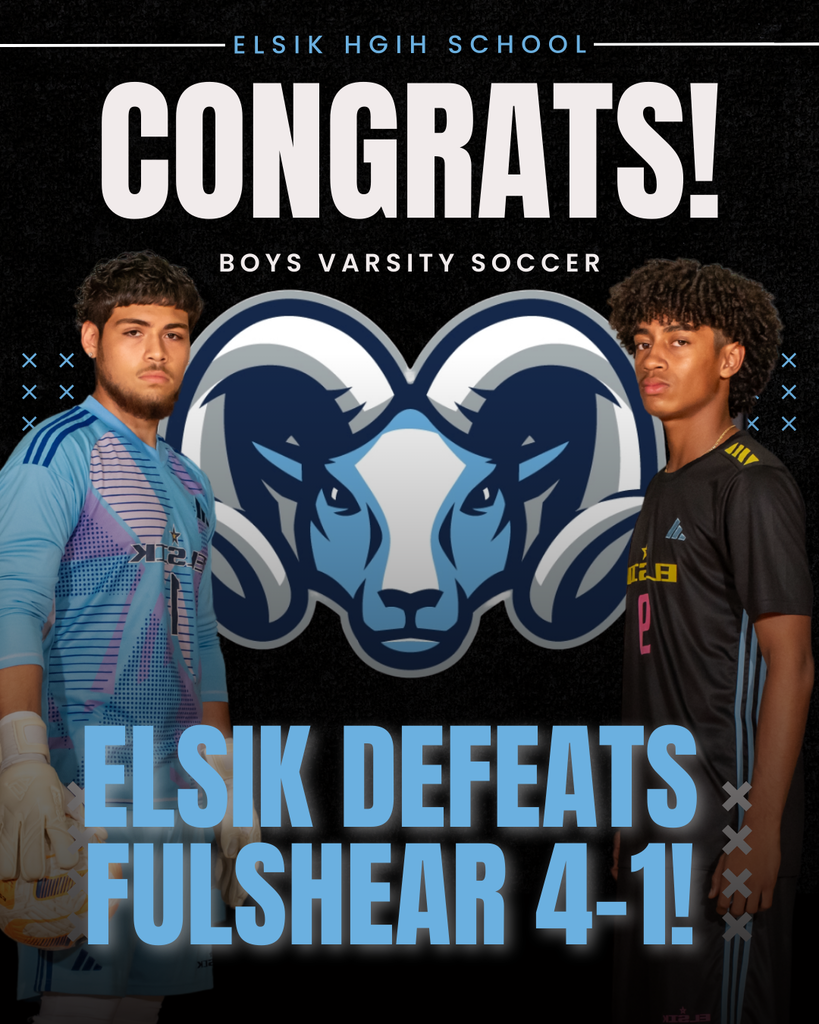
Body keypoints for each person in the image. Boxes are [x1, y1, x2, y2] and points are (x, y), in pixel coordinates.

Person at [0, 252, 258, 1023]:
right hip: (85, 789)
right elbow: (14, 606)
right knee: (80, 1009)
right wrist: (20, 759)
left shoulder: (188, 480)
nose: (156, 352)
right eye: (134, 331)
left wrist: (225, 785)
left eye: (175, 335)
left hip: (174, 789)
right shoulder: (56, 453)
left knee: (142, 1006)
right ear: (90, 339)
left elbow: (204, 639)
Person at [607, 258, 813, 1023]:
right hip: (663, 823)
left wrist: (757, 833)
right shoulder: (663, 488)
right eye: (641, 339)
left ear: (728, 360)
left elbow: (791, 665)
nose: (652, 357)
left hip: (726, 829)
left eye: (679, 339)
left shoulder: (750, 484)